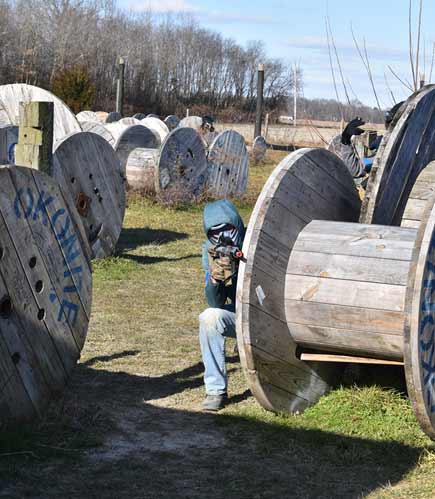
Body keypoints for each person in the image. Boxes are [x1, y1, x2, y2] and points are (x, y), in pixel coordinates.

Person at [198, 199, 245, 412]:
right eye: (216, 232)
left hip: (266, 314)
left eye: (228, 228)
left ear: (237, 225)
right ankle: (215, 390)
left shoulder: (256, 239)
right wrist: (216, 279)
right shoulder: (210, 251)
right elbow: (215, 303)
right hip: (240, 316)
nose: (223, 236)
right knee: (209, 317)